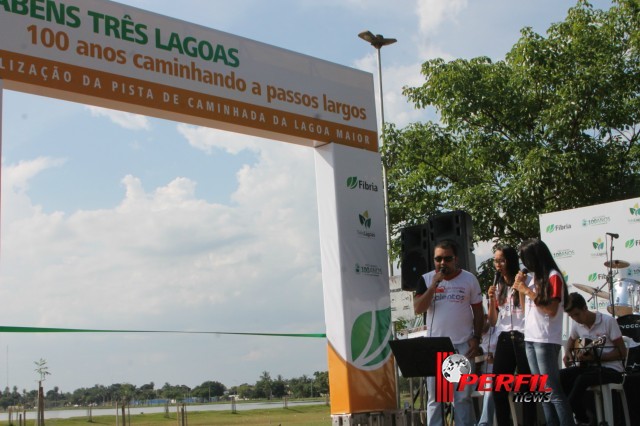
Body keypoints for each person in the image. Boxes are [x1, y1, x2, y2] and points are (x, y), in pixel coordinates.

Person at [414, 239, 484, 426]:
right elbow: (418, 308)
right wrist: (433, 286)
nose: (442, 263)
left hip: (462, 345)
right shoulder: (427, 279)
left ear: (456, 259)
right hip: (436, 347)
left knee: (462, 398)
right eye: (438, 259)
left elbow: (478, 312)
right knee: (437, 399)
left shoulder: (469, 279)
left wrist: (476, 338)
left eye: (447, 258)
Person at [513, 238, 575, 426]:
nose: (524, 263)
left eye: (526, 258)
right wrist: (521, 290)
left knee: (553, 390)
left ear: (535, 257)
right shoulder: (532, 279)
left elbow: (551, 309)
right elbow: (526, 311)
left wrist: (527, 290)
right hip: (530, 337)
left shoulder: (553, 276)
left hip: (546, 339)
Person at [560, 292, 627, 426]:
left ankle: (577, 414)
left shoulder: (608, 321)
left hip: (612, 369)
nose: (575, 318)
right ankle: (583, 417)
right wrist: (567, 353)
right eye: (571, 316)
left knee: (581, 379)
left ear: (585, 308)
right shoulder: (576, 325)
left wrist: (598, 358)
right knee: (559, 376)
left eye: (577, 314)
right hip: (590, 368)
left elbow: (622, 352)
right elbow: (571, 339)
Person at [488, 245, 537, 426]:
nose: (498, 264)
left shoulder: (526, 280)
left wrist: (520, 287)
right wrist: (491, 299)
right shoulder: (498, 285)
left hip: (523, 335)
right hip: (504, 337)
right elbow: (492, 321)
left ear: (510, 260)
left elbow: (528, 312)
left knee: (526, 387)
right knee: (498, 386)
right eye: (496, 261)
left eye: (501, 260)